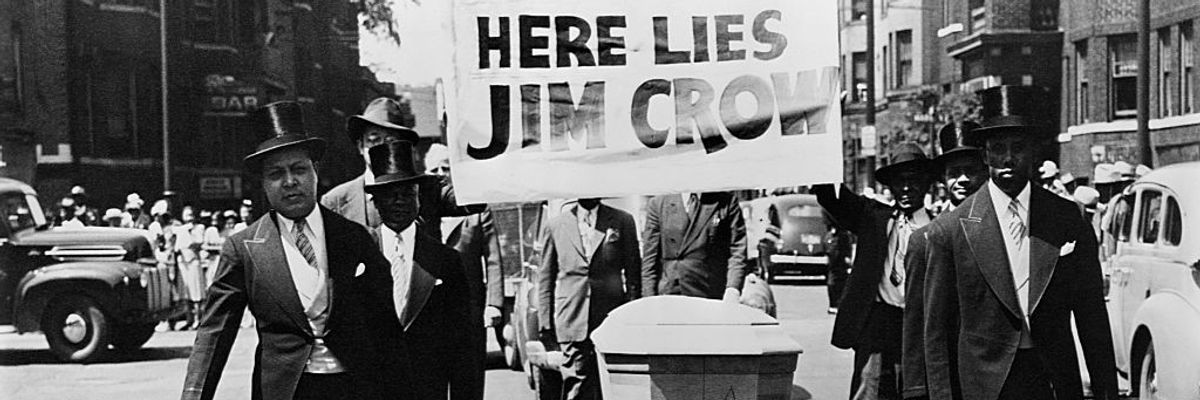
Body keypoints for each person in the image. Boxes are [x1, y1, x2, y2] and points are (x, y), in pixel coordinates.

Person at [182, 101, 403, 400]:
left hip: (355, 388)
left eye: (299, 169)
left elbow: (387, 330)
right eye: (276, 174)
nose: (289, 182)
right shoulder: (244, 247)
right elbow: (214, 334)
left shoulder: (356, 238)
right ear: (263, 183)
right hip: (283, 392)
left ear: (315, 171)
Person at [912, 85, 1117, 400]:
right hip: (984, 385)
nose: (1008, 158)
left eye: (1018, 147)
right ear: (985, 154)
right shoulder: (950, 231)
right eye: (998, 148)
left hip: (1053, 381)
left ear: (1033, 151)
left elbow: (1091, 315)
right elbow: (935, 332)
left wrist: (1106, 390)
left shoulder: (1067, 218)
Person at [814, 141, 936, 400]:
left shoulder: (940, 230)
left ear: (927, 183)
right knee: (869, 390)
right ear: (890, 186)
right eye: (898, 181)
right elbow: (829, 196)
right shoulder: (873, 217)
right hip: (877, 325)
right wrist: (823, 138)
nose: (905, 188)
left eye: (913, 180)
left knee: (917, 392)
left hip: (919, 326)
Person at [364, 140, 475, 399]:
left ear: (419, 197)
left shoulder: (445, 261)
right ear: (376, 202)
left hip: (428, 388)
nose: (399, 202)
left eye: (407, 193)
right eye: (390, 195)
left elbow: (462, 346)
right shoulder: (359, 254)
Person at [900, 121, 986, 398]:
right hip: (948, 372)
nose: (962, 180)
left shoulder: (1005, 230)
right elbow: (915, 321)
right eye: (954, 173)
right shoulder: (925, 241)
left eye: (970, 171)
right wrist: (915, 388)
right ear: (942, 179)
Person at [321, 97, 484, 240]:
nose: (382, 147)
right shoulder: (335, 202)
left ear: (404, 146)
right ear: (360, 146)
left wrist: (467, 138)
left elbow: (474, 200)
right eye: (374, 140)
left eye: (390, 140)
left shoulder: (428, 189)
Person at [538, 198, 641, 400]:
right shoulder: (556, 225)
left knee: (615, 384)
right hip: (572, 319)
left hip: (610, 318)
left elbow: (633, 274)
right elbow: (545, 279)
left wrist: (631, 316)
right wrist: (545, 322)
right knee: (576, 383)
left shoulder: (622, 220)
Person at [427, 143, 501, 399]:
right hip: (431, 311)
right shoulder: (421, 211)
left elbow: (493, 259)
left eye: (445, 167)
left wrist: (494, 304)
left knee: (468, 380)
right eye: (433, 169)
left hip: (468, 308)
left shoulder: (475, 211)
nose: (439, 173)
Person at [641, 191, 748, 302]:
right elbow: (649, 259)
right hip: (671, 293)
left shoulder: (726, 202)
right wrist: (649, 299)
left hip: (710, 293)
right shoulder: (658, 204)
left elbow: (737, 250)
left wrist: (732, 289)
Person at [823, 224, 853, 314]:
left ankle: (838, 304)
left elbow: (847, 247)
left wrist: (847, 258)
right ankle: (834, 304)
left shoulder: (844, 235)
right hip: (833, 263)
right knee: (832, 284)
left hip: (841, 263)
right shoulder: (831, 235)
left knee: (840, 284)